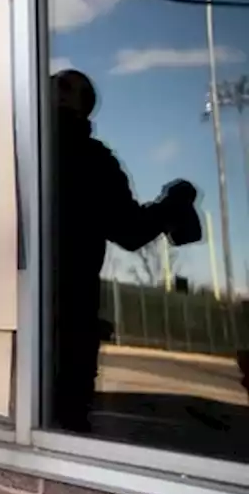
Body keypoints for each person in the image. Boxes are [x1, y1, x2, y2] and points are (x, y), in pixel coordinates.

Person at [49, 68, 198, 433]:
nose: (52, 86)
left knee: (58, 420)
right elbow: (130, 231)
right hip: (62, 312)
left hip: (56, 310)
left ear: (78, 105)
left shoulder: (65, 153)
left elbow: (129, 230)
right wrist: (174, 204)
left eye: (63, 86)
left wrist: (170, 206)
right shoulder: (88, 158)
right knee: (65, 421)